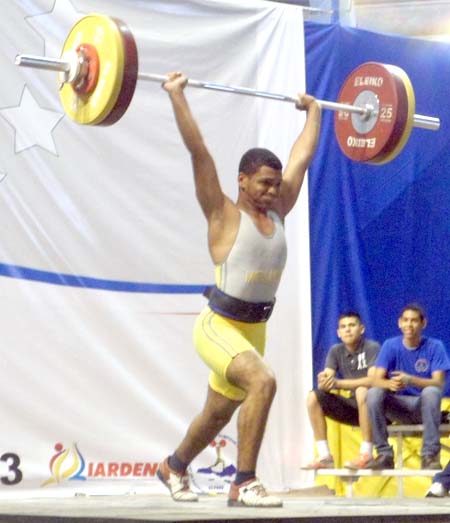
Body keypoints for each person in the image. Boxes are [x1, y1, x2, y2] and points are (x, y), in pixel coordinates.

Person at [156, 72, 321, 507]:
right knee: (263, 382)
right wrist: (177, 96)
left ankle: (173, 466)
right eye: (263, 182)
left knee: (216, 413)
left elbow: (302, 157)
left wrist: (314, 112)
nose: (271, 190)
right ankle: (243, 481)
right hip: (217, 326)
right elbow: (199, 153)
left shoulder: (280, 209)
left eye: (275, 182)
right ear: (243, 180)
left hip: (253, 329)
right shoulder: (222, 215)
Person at [366, 303, 450, 470]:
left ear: (423, 324)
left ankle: (429, 455)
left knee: (432, 392)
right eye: (405, 320)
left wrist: (410, 379)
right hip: (397, 408)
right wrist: (389, 383)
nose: (409, 325)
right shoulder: (390, 345)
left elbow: (439, 383)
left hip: (423, 407)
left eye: (413, 321)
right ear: (399, 323)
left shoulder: (435, 346)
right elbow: (375, 380)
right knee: (374, 393)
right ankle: (384, 454)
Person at [303, 312, 380, 471]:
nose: (348, 330)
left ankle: (366, 454)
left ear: (362, 329)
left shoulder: (372, 347)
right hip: (354, 407)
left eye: (352, 325)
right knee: (313, 397)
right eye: (343, 327)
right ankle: (325, 456)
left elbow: (374, 380)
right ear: (338, 332)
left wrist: (338, 383)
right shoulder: (335, 350)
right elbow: (328, 380)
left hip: (376, 408)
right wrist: (324, 381)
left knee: (362, 391)